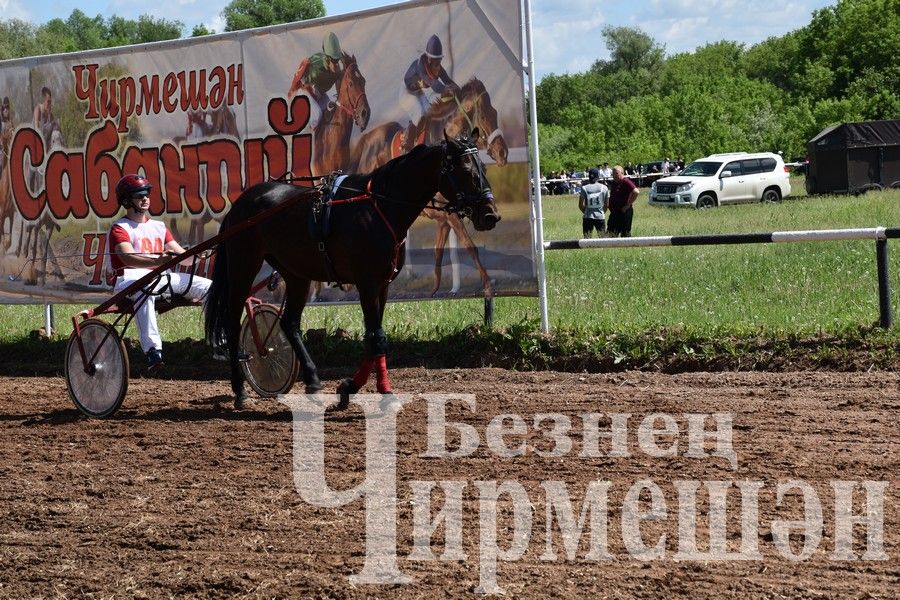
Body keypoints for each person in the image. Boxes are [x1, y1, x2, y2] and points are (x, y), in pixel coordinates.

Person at [108, 174, 212, 371]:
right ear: (126, 200)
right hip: (129, 279)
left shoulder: (159, 226)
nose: (145, 198)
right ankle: (152, 351)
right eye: (139, 195)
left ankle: (218, 342)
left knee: (211, 288)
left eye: (147, 193)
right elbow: (127, 258)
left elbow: (184, 258)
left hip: (161, 277)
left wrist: (198, 255)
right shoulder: (119, 228)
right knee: (146, 288)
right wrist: (161, 260)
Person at [400, 34, 459, 150]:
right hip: (406, 92)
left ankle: (423, 141)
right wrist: (446, 89)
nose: (438, 64)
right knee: (419, 113)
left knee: (430, 112)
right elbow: (435, 85)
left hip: (418, 91)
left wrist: (459, 90)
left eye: (439, 60)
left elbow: (447, 80)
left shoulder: (437, 66)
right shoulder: (420, 67)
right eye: (435, 61)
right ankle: (407, 144)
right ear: (428, 59)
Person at [288, 32, 344, 130]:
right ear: (327, 58)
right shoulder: (313, 64)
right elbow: (298, 80)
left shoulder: (338, 70)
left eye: (337, 59)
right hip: (304, 94)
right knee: (317, 115)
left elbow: (339, 86)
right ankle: (311, 141)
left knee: (332, 111)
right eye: (334, 60)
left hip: (318, 94)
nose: (336, 64)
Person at [607, 165, 639, 238]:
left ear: (622, 173)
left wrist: (628, 205)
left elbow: (636, 192)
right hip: (614, 212)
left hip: (624, 212)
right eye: (613, 174)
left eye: (616, 173)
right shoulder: (615, 182)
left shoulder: (626, 181)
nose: (614, 175)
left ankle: (627, 249)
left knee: (625, 234)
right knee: (611, 233)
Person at [578, 168, 608, 238]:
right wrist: (602, 212)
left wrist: (585, 212)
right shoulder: (604, 188)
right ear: (598, 176)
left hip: (587, 217)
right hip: (600, 216)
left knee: (587, 238)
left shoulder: (584, 188)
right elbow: (607, 205)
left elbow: (580, 205)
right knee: (602, 238)